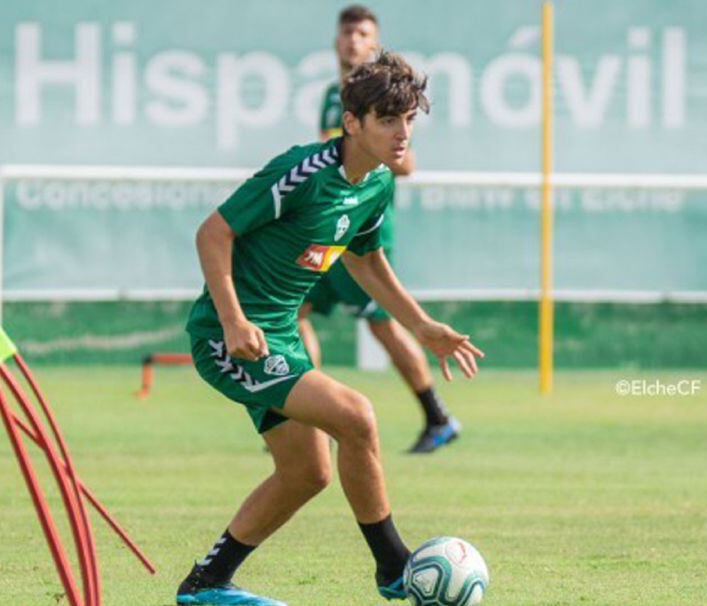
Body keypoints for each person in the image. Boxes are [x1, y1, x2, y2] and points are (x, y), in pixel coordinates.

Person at [176, 51, 483, 606]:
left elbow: (365, 260)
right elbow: (212, 233)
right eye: (389, 120)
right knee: (357, 416)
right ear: (352, 122)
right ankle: (393, 567)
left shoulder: (378, 184)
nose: (402, 133)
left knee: (307, 473)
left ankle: (206, 584)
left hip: (279, 340)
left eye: (410, 120)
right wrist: (233, 320)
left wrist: (421, 326)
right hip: (227, 339)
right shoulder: (301, 174)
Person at [301, 4, 462, 454]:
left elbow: (404, 163)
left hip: (362, 227)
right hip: (328, 223)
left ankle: (437, 415)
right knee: (296, 313)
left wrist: (365, 148)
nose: (353, 40)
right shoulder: (334, 95)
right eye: (347, 32)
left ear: (375, 42)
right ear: (337, 40)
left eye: (363, 33)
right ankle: (308, 416)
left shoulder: (383, 94)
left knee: (384, 326)